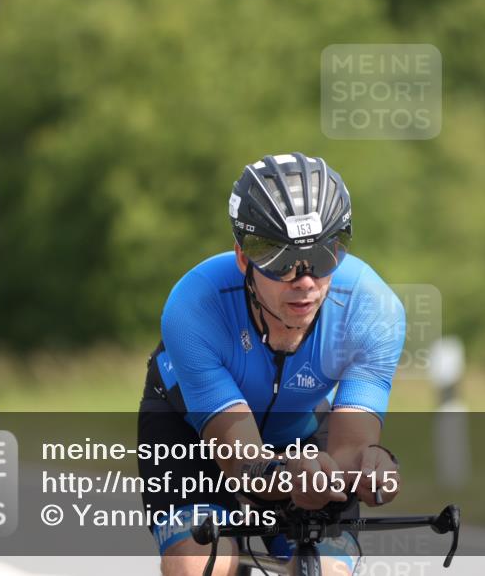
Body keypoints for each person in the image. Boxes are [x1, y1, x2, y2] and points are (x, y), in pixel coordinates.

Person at [138, 152, 406, 576]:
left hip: (301, 431)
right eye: (281, 261)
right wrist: (288, 477)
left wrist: (371, 471)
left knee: (329, 569)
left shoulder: (373, 310)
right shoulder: (193, 307)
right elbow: (240, 460)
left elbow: (350, 451)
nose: (304, 281)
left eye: (322, 258)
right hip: (192, 431)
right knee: (199, 564)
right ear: (244, 258)